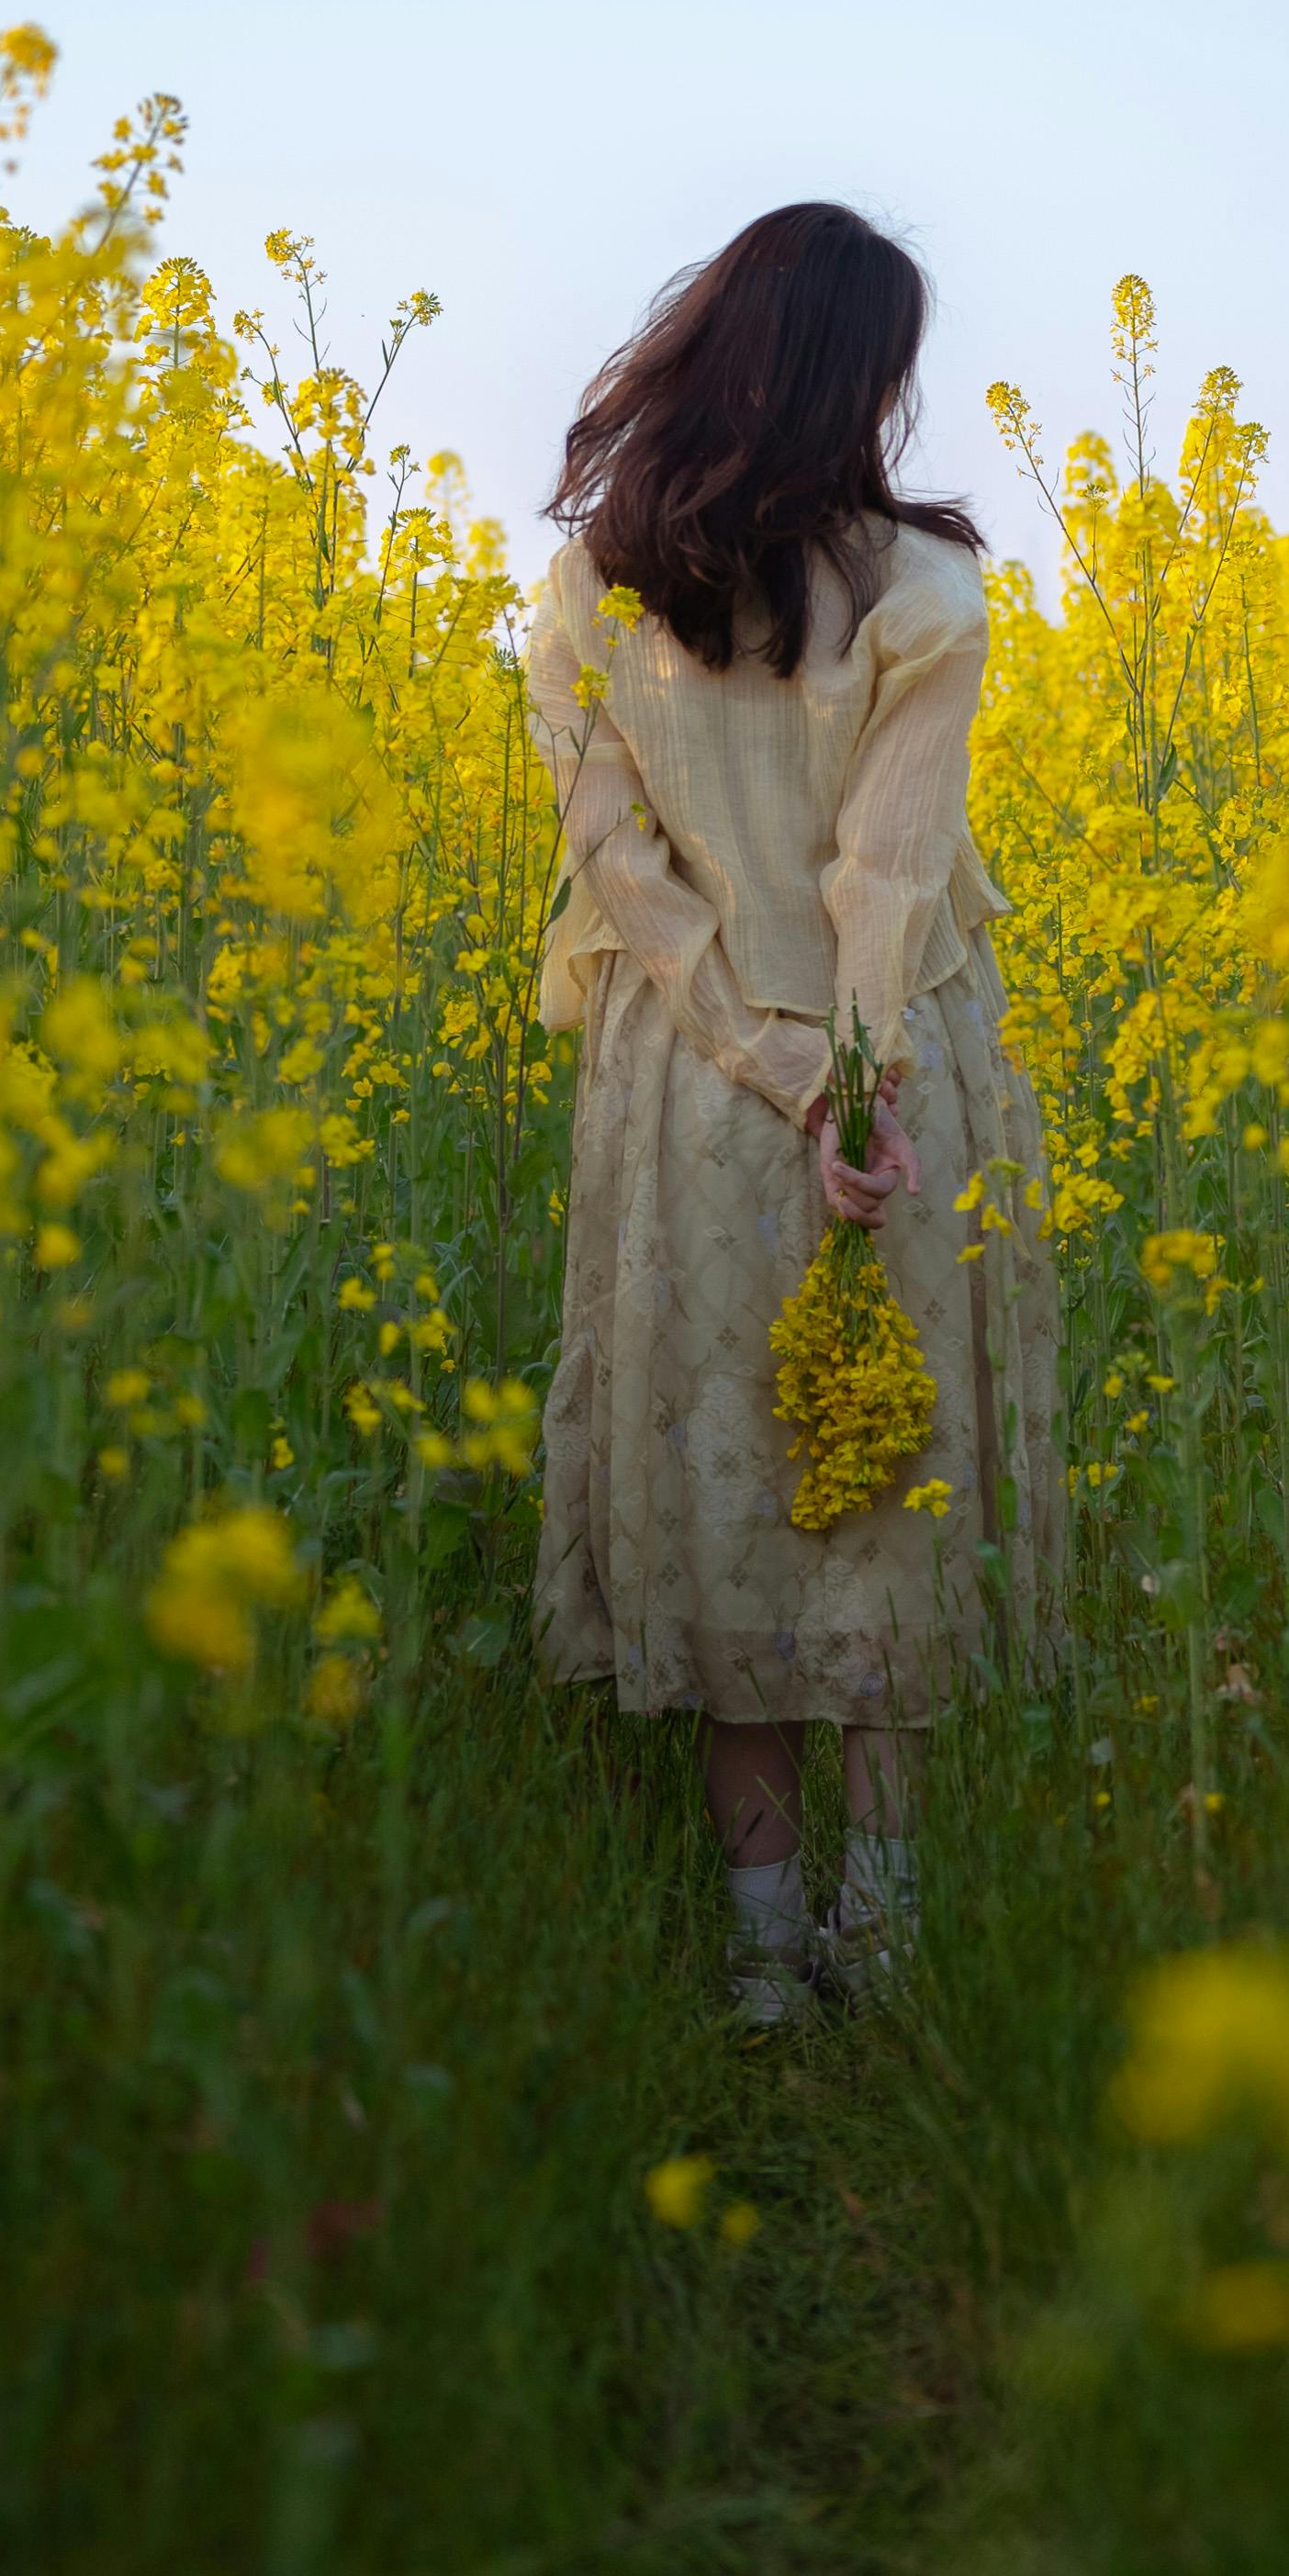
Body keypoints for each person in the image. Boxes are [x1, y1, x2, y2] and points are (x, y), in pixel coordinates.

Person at [523, 201, 1063, 2022]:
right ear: (859, 377)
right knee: (885, 1493)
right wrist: (851, 1083)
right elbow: (884, 878)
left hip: (686, 1082)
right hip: (892, 1077)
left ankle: (761, 1956)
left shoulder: (593, 588)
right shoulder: (924, 588)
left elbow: (620, 869)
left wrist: (757, 1064)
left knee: (720, 1492)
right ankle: (880, 1938)